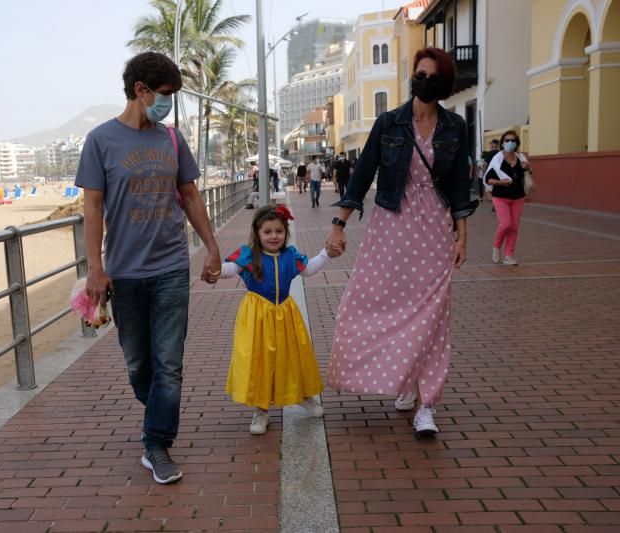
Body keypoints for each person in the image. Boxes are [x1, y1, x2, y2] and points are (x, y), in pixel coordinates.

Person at [76, 51, 221, 485]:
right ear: (140, 91)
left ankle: (156, 443)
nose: (168, 103)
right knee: (140, 363)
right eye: (164, 94)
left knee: (169, 364)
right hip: (125, 273)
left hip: (171, 267)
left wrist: (211, 247)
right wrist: (95, 268)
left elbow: (192, 196)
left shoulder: (171, 140)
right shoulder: (101, 141)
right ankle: (157, 412)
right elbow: (93, 207)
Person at [325, 47, 478, 436]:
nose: (422, 81)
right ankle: (403, 381)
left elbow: (460, 183)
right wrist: (339, 223)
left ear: (442, 85)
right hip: (391, 226)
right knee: (368, 303)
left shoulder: (455, 127)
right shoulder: (389, 123)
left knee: (432, 315)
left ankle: (427, 404)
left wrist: (461, 235)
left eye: (431, 77)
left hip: (435, 231)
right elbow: (362, 175)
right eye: (418, 74)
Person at [219, 205, 338, 434]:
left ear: (285, 232)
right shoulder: (247, 255)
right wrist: (215, 269)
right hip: (256, 317)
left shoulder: (290, 255)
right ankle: (261, 410)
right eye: (267, 232)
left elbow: (309, 269)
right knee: (260, 361)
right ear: (257, 233)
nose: (274, 236)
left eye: (278, 231)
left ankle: (302, 396)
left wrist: (326, 255)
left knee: (293, 357)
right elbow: (229, 269)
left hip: (285, 313)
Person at [484, 130, 529, 266]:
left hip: (518, 197)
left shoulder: (521, 158)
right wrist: (500, 182)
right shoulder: (497, 159)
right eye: (507, 140)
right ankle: (496, 248)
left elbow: (527, 176)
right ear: (502, 143)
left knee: (514, 227)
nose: (510, 143)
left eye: (513, 140)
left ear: (517, 144)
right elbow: (488, 179)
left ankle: (509, 255)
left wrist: (527, 168)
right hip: (500, 196)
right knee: (506, 224)